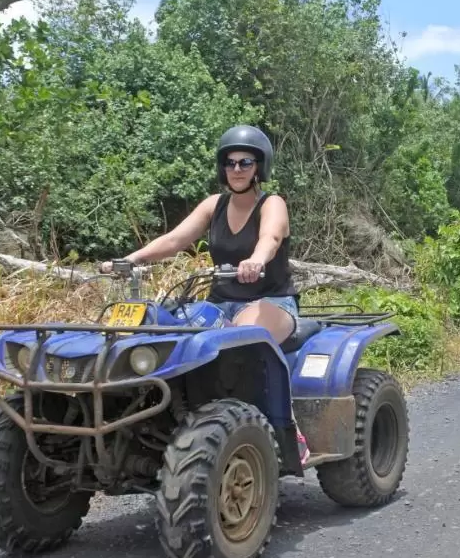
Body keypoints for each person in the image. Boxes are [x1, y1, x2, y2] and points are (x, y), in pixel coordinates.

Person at [99, 124, 309, 460]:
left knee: (243, 341)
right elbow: (175, 240)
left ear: (260, 166)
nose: (237, 169)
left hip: (270, 301)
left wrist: (255, 260)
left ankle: (288, 431)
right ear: (222, 167)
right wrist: (131, 258)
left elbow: (270, 237)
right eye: (230, 163)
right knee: (164, 328)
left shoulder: (273, 203)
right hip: (219, 303)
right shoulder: (214, 205)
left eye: (245, 162)